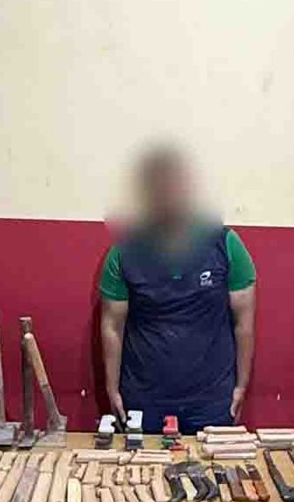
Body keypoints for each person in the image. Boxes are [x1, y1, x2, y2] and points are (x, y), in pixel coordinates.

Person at [99, 146, 257, 434]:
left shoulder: (226, 245)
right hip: (144, 401)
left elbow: (244, 323)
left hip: (211, 401)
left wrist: (241, 386)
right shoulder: (123, 253)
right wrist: (112, 389)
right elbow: (112, 326)